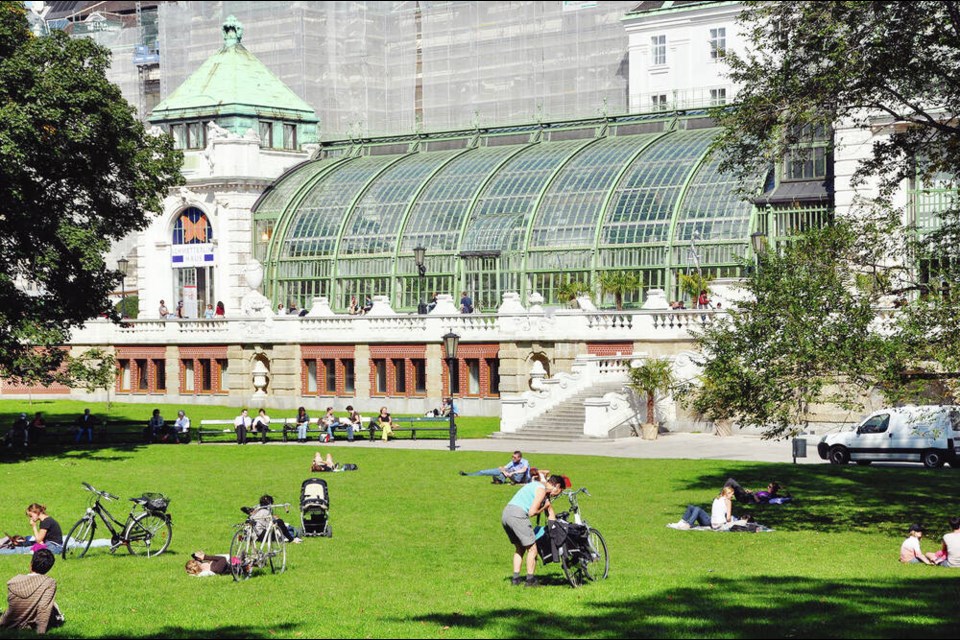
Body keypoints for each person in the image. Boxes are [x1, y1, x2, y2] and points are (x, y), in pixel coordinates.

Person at [501, 473, 565, 587]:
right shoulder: (541, 490)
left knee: (519, 548)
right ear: (557, 486)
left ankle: (515, 579)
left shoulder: (536, 485)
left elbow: (550, 512)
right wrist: (544, 507)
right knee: (532, 549)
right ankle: (530, 581)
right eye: (559, 492)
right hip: (517, 515)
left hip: (506, 514)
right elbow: (532, 512)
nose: (556, 495)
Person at [0, 548, 63, 634]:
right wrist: (41, 632)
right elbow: (43, 608)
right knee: (54, 606)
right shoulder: (49, 583)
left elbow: (13, 605)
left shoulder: (14, 581)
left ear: (31, 564)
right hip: (29, 623)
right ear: (49, 568)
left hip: (9, 621)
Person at [670, 486, 736, 530]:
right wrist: (730, 523)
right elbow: (728, 518)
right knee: (695, 508)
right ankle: (685, 523)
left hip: (712, 522)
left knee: (694, 508)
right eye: (732, 494)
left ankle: (686, 523)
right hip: (716, 523)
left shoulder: (716, 498)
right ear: (727, 493)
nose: (732, 496)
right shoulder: (728, 501)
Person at [460, 451, 531, 484]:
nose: (513, 458)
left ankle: (499, 479)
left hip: (521, 479)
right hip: (511, 476)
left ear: (520, 458)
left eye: (515, 457)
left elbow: (523, 470)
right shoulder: (512, 462)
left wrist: (512, 472)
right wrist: (504, 471)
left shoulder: (525, 461)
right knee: (498, 472)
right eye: (512, 457)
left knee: (519, 472)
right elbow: (502, 467)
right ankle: (468, 474)